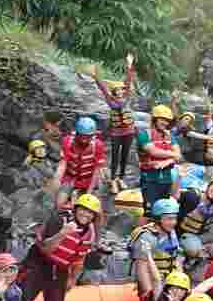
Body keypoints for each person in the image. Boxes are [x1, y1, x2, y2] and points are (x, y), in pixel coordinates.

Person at [19, 192, 102, 301]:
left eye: (90, 212)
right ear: (76, 209)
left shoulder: (89, 232)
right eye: (83, 209)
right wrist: (63, 233)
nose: (86, 214)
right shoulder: (59, 220)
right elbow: (46, 248)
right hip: (39, 261)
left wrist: (72, 279)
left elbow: (79, 260)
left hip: (60, 268)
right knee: (23, 299)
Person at [89, 58, 137, 187]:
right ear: (114, 92)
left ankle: (121, 178)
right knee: (115, 155)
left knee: (125, 155)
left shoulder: (127, 97)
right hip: (116, 132)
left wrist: (129, 65)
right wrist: (95, 76)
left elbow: (129, 80)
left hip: (129, 131)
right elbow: (103, 88)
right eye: (118, 90)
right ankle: (112, 179)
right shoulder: (110, 100)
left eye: (122, 89)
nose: (121, 91)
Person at [130, 197, 183, 301]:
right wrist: (150, 295)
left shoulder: (171, 232)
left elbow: (176, 258)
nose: (173, 222)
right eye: (169, 219)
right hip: (150, 280)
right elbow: (142, 269)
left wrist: (180, 282)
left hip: (166, 278)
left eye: (174, 218)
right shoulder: (147, 237)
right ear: (158, 219)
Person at [177, 177, 213, 275]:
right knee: (195, 250)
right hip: (184, 234)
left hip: (200, 234)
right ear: (208, 186)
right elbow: (175, 197)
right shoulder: (192, 196)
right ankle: (187, 256)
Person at [53, 116, 107, 211]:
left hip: (88, 180)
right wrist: (57, 179)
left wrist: (88, 193)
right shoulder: (67, 141)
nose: (84, 140)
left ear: (93, 135)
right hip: (70, 178)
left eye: (88, 136)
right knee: (59, 204)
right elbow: (63, 163)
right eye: (82, 136)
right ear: (77, 133)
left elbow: (96, 171)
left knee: (92, 208)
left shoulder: (98, 145)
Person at [136, 104, 181, 215]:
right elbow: (153, 151)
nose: (165, 123)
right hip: (150, 179)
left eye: (167, 121)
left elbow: (178, 155)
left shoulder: (169, 135)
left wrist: (167, 161)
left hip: (166, 179)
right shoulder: (144, 134)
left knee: (162, 211)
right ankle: (141, 232)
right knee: (148, 211)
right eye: (162, 119)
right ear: (155, 119)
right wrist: (172, 155)